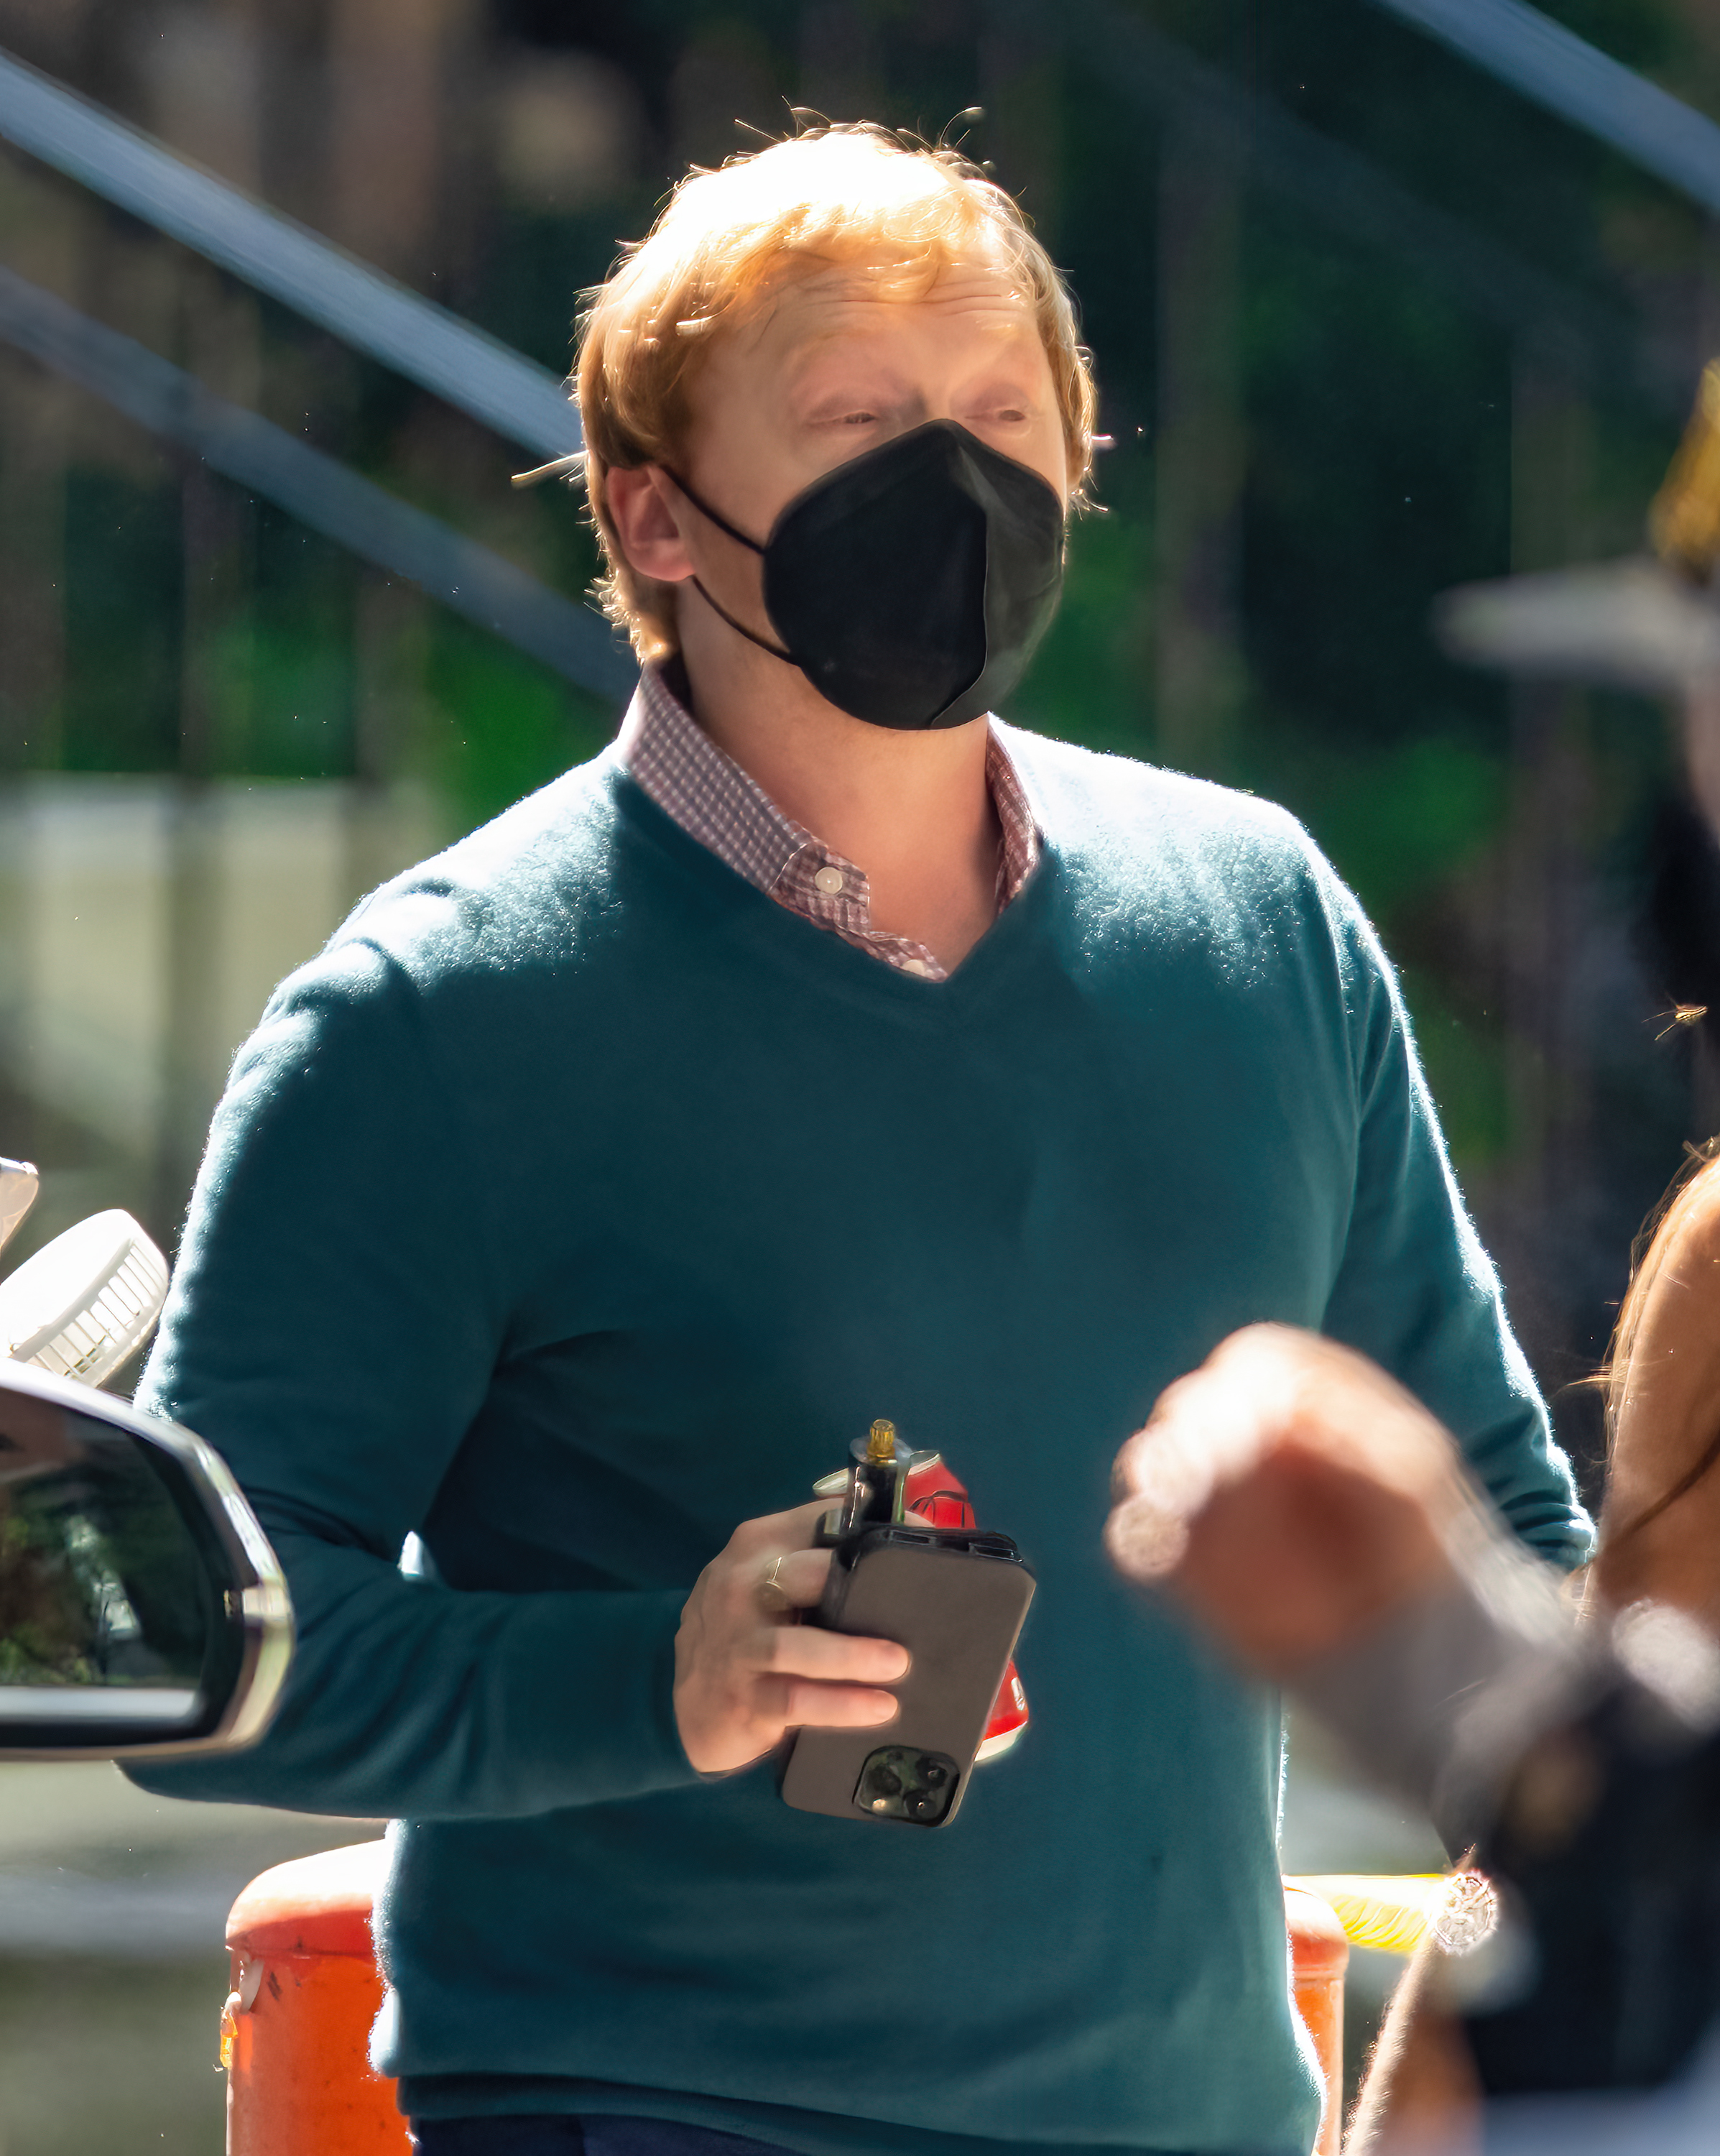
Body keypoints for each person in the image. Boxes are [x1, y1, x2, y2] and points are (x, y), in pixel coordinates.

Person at [127, 126, 1590, 2156]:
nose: (954, 483)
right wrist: (660, 1676)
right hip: (648, 2113)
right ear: (652, 516)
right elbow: (186, 1648)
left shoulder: (1259, 925)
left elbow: (1494, 1521)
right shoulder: (436, 1023)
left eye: (1003, 414)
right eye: (856, 418)